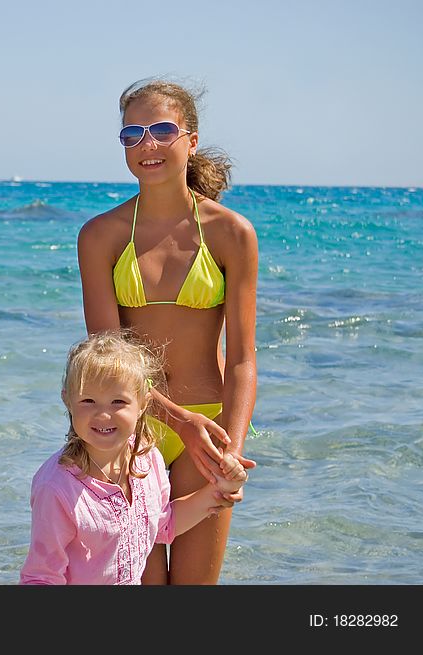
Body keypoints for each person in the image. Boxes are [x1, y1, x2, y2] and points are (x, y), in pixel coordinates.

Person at [76, 78, 259, 584]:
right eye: (131, 134)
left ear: (191, 139)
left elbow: (243, 357)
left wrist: (230, 451)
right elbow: (107, 361)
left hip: (209, 431)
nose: (147, 145)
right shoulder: (100, 235)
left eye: (161, 130)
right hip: (127, 430)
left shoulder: (231, 232)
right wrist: (175, 420)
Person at [19, 330, 248, 585]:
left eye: (118, 402)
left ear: (143, 404)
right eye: (88, 401)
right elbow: (40, 578)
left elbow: (164, 524)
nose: (103, 415)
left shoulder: (147, 460)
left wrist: (219, 490)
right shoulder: (57, 488)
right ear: (67, 400)